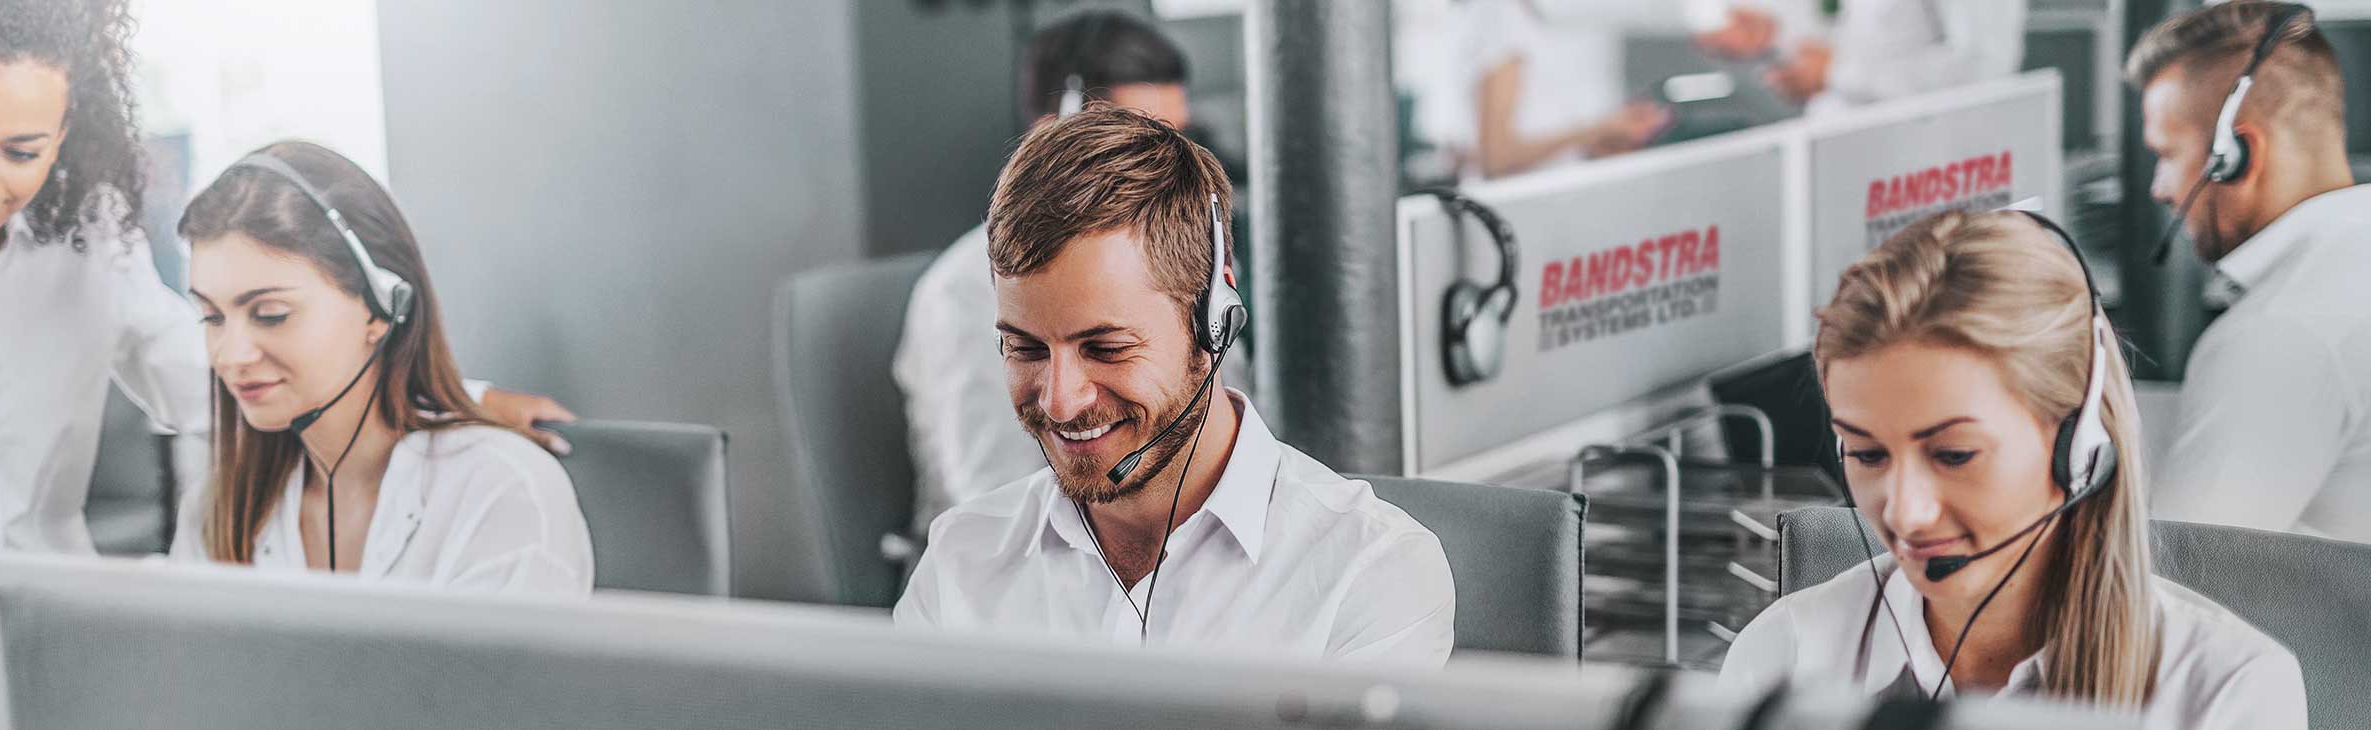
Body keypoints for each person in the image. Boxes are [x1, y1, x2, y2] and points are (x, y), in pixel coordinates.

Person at [0, 0, 574, 554]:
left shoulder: (87, 236)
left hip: (42, 631)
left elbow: (201, 377)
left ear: (63, 135)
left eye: (21, 151)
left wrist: (451, 400)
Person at [894, 105, 1455, 666]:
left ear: (1214, 318)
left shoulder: (1371, 577)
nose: (1059, 399)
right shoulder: (961, 561)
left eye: (1106, 348)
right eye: (1026, 348)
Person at [1719, 210, 2304, 728]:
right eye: (1867, 454)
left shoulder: (2224, 690)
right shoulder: (1786, 655)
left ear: (2077, 443)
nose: (1904, 510)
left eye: (1953, 455)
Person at [169, 141, 592, 596]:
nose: (231, 356)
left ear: (381, 307)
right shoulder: (217, 510)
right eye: (212, 317)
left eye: (271, 314)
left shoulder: (504, 493)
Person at [894, 11, 1249, 544]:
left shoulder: (1193, 251)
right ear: (1053, 132)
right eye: (1135, 140)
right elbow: (998, 501)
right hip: (1013, 583)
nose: (1167, 170)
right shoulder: (967, 292)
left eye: (1179, 140)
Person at [2127, 2, 2371, 543]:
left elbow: (2182, 581)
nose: (2160, 188)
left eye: (2167, 155)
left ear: (2236, 154)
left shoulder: (2283, 328)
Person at [1396, 0, 1669, 180]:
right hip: (1513, 215)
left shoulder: (1586, 16)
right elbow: (1496, 158)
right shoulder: (1503, 14)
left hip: (1573, 199)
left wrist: (1616, 134)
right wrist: (1599, 129)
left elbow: (1580, 138)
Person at [1752, 0, 2026, 113]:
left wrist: (1835, 73)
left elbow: (1983, 67)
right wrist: (1773, 35)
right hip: (1845, 150)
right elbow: (1874, 40)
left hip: (1919, 167)